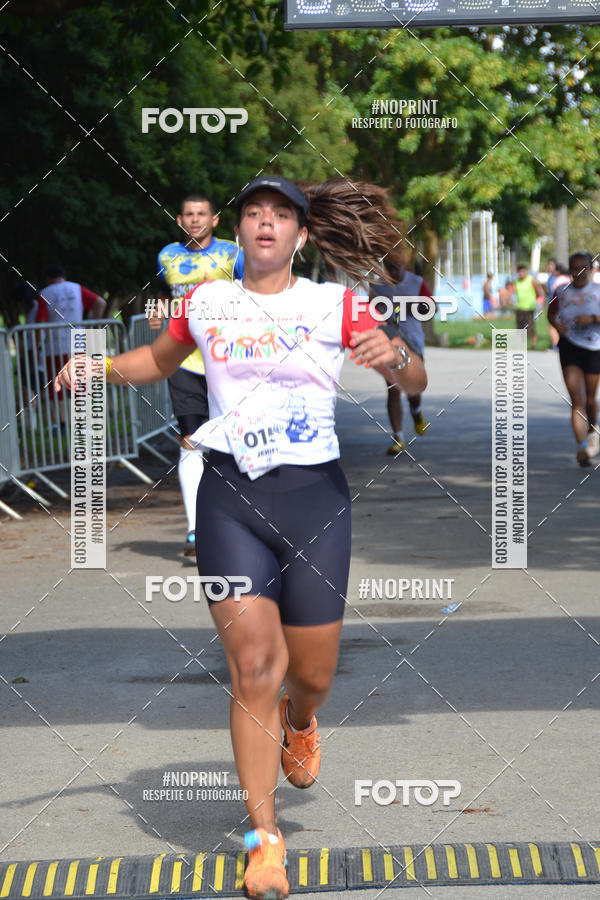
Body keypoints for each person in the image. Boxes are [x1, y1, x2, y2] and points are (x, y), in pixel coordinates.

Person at [56, 176, 427, 900]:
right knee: (255, 664)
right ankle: (264, 840)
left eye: (280, 214)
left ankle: (303, 719)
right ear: (240, 231)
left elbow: (413, 378)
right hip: (230, 496)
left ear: (302, 235)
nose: (266, 223)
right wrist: (94, 366)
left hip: (314, 500)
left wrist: (393, 360)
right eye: (255, 212)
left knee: (311, 672)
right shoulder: (209, 302)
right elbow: (155, 363)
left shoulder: (332, 304)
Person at [150, 194, 244, 556]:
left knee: (230, 442)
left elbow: (253, 293)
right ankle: (194, 531)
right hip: (184, 360)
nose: (195, 220)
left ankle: (234, 522)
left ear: (215, 219)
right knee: (191, 439)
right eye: (188, 214)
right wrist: (157, 311)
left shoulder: (233, 256)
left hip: (228, 360)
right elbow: (164, 296)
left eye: (202, 214)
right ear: (179, 219)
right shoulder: (167, 256)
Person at [368, 260, 431, 454]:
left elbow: (430, 309)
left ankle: (416, 411)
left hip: (414, 342)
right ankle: (398, 438)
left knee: (412, 390)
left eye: (397, 265)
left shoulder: (416, 282)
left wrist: (412, 306)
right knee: (393, 390)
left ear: (404, 264)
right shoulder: (376, 286)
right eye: (390, 266)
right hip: (390, 342)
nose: (393, 270)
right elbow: (370, 312)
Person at [36, 264, 106, 429]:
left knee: (56, 387)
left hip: (53, 346)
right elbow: (100, 303)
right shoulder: (77, 288)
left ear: (48, 278)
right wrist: (90, 327)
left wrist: (37, 344)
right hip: (78, 344)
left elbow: (41, 321)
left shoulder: (45, 293)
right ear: (64, 276)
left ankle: (61, 424)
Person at [548, 251, 600, 466]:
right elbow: (551, 313)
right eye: (575, 268)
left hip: (594, 346)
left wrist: (593, 318)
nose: (579, 272)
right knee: (576, 400)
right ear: (569, 270)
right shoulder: (561, 291)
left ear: (591, 269)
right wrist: (556, 325)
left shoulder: (598, 291)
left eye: (584, 267)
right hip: (569, 346)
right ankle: (582, 448)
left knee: (590, 399)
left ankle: (592, 432)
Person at [514, 264, 544, 349]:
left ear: (526, 272)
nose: (521, 273)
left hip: (529, 308)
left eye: (523, 271)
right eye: (519, 272)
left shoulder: (531, 280)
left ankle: (533, 344)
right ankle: (521, 345)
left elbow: (539, 292)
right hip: (520, 307)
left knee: (530, 327)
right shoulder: (516, 282)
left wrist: (539, 302)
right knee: (520, 328)